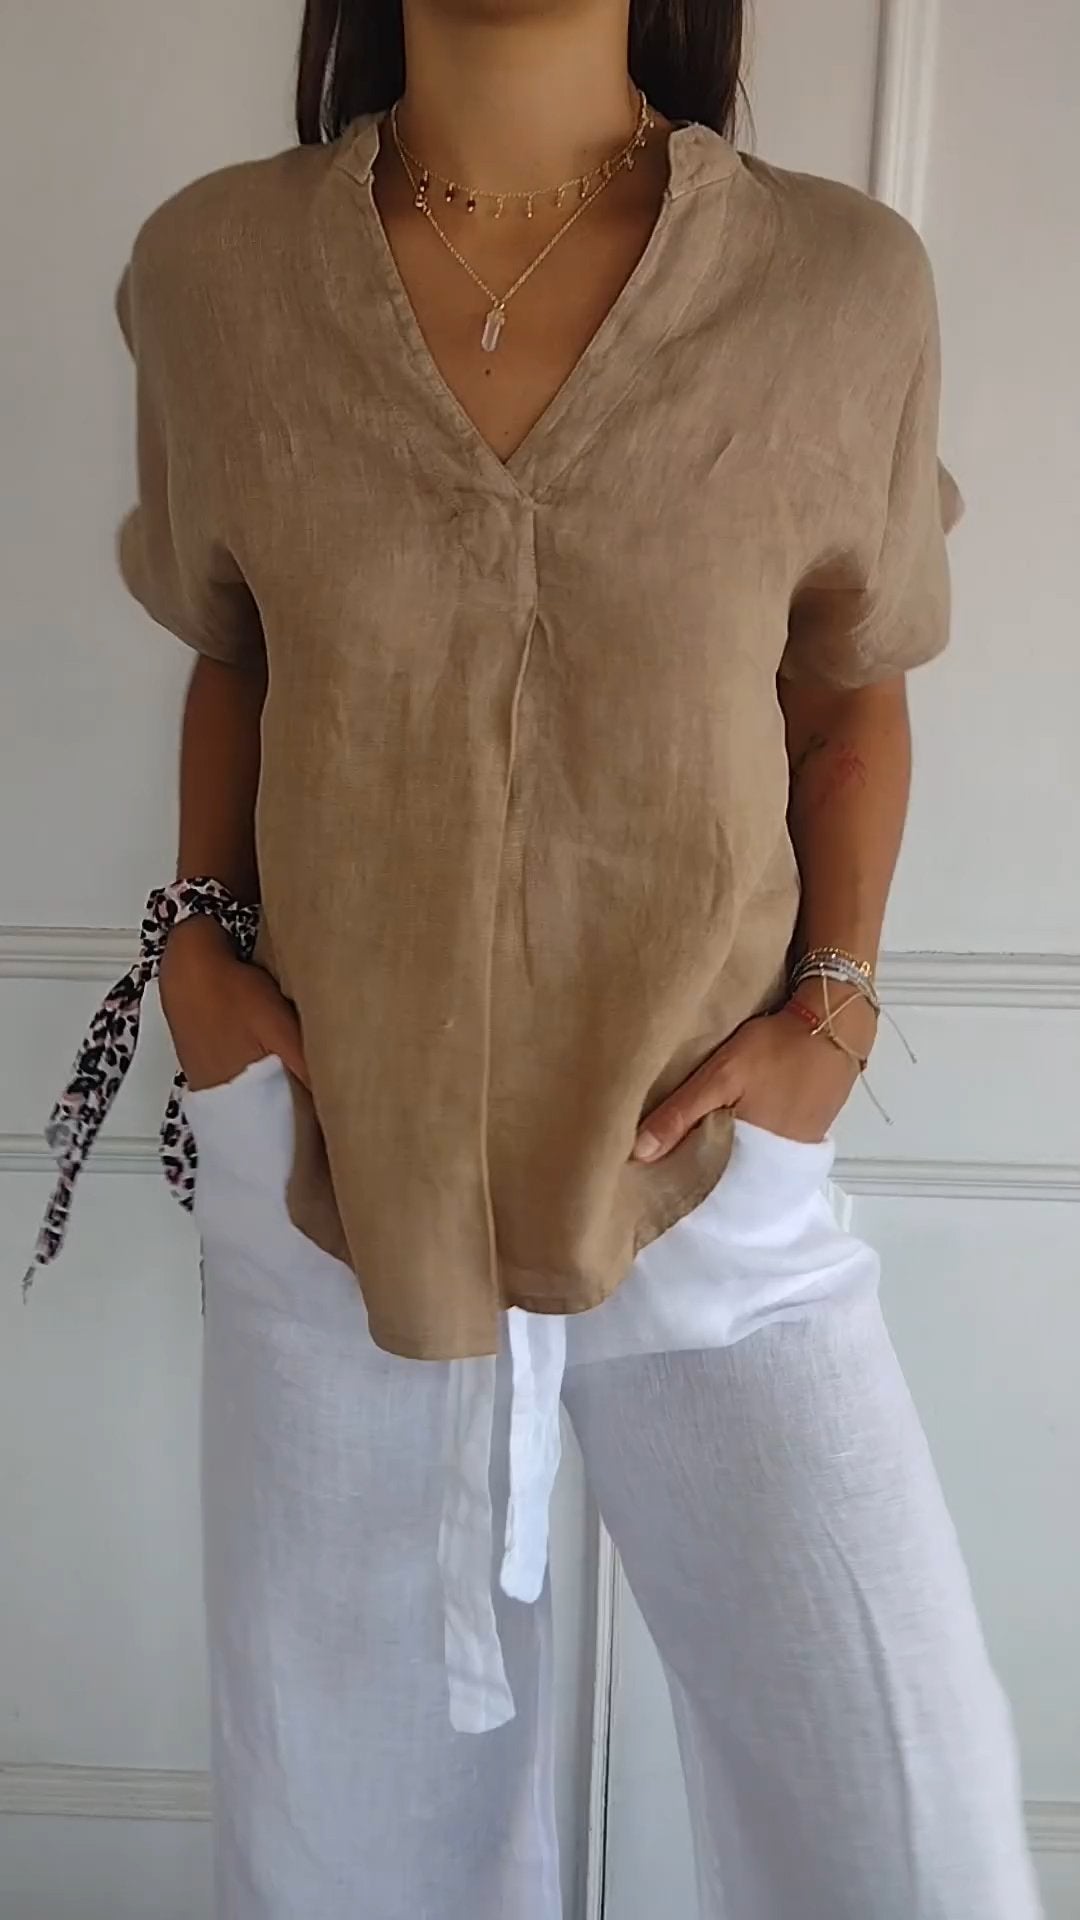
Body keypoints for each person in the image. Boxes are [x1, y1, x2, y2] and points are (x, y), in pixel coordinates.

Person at [31, 1, 1042, 1915]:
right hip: (336, 1161)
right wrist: (200, 957)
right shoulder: (218, 271)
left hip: (708, 1171)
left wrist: (833, 1011)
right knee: (341, 1837)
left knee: (904, 1827)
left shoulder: (835, 284)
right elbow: (235, 646)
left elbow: (850, 685)